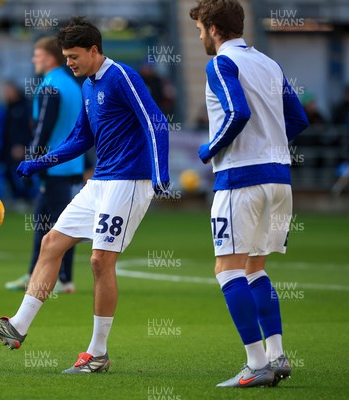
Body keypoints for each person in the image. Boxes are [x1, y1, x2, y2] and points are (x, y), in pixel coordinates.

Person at [0, 16, 170, 374]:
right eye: (65, 57)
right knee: (51, 243)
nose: (69, 63)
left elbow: (155, 120)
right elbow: (82, 138)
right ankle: (17, 326)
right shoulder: (86, 87)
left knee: (99, 261)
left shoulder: (122, 77)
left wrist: (161, 173)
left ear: (95, 50)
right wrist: (40, 162)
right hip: (99, 183)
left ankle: (97, 353)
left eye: (74, 56)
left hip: (127, 183)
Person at [189, 0, 309, 388]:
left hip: (241, 179)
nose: (200, 37)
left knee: (227, 270)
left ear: (213, 28)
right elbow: (299, 118)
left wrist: (209, 150)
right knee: (255, 268)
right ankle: (276, 356)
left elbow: (237, 113)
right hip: (279, 179)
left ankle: (256, 364)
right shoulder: (268, 63)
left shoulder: (221, 63)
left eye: (200, 30)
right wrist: (270, 147)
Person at [4, 37, 84, 294]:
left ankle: (64, 279)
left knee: (60, 226)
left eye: (37, 54)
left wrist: (32, 163)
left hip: (53, 166)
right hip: (70, 164)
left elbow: (42, 130)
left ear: (50, 58)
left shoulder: (50, 86)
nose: (33, 59)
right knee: (44, 223)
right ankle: (34, 274)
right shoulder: (72, 84)